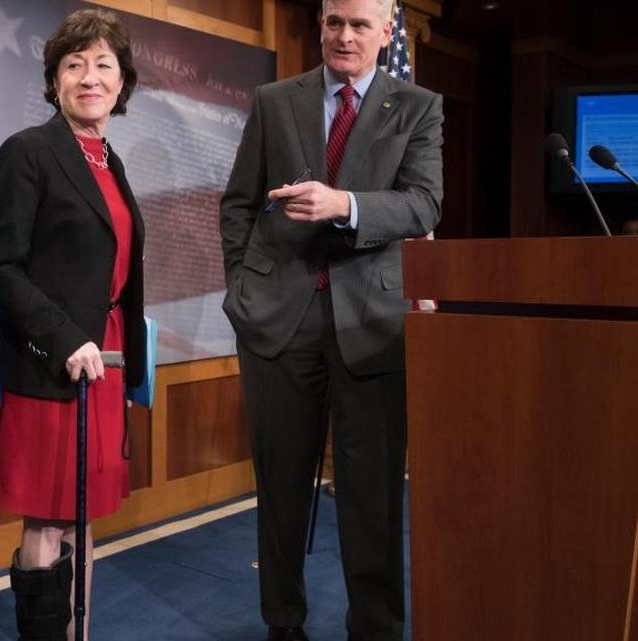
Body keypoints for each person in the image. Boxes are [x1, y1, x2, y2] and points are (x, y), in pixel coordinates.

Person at [218, 0, 443, 639]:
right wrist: (243, 288)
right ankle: (282, 626)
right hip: (277, 325)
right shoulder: (273, 99)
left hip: (372, 326)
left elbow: (423, 205)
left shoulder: (419, 107)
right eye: (333, 22)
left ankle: (374, 631)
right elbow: (237, 203)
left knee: (373, 502)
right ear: (320, 24)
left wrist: (343, 204)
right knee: (281, 497)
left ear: (387, 32)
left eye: (360, 24)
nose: (344, 36)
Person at [0, 8, 144, 641]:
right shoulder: (29, 152)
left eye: (103, 65)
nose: (89, 77)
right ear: (54, 80)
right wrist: (64, 340)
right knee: (47, 521)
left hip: (104, 362)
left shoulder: (111, 163)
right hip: (51, 362)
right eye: (74, 64)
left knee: (84, 520)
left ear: (121, 82)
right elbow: (1, 268)